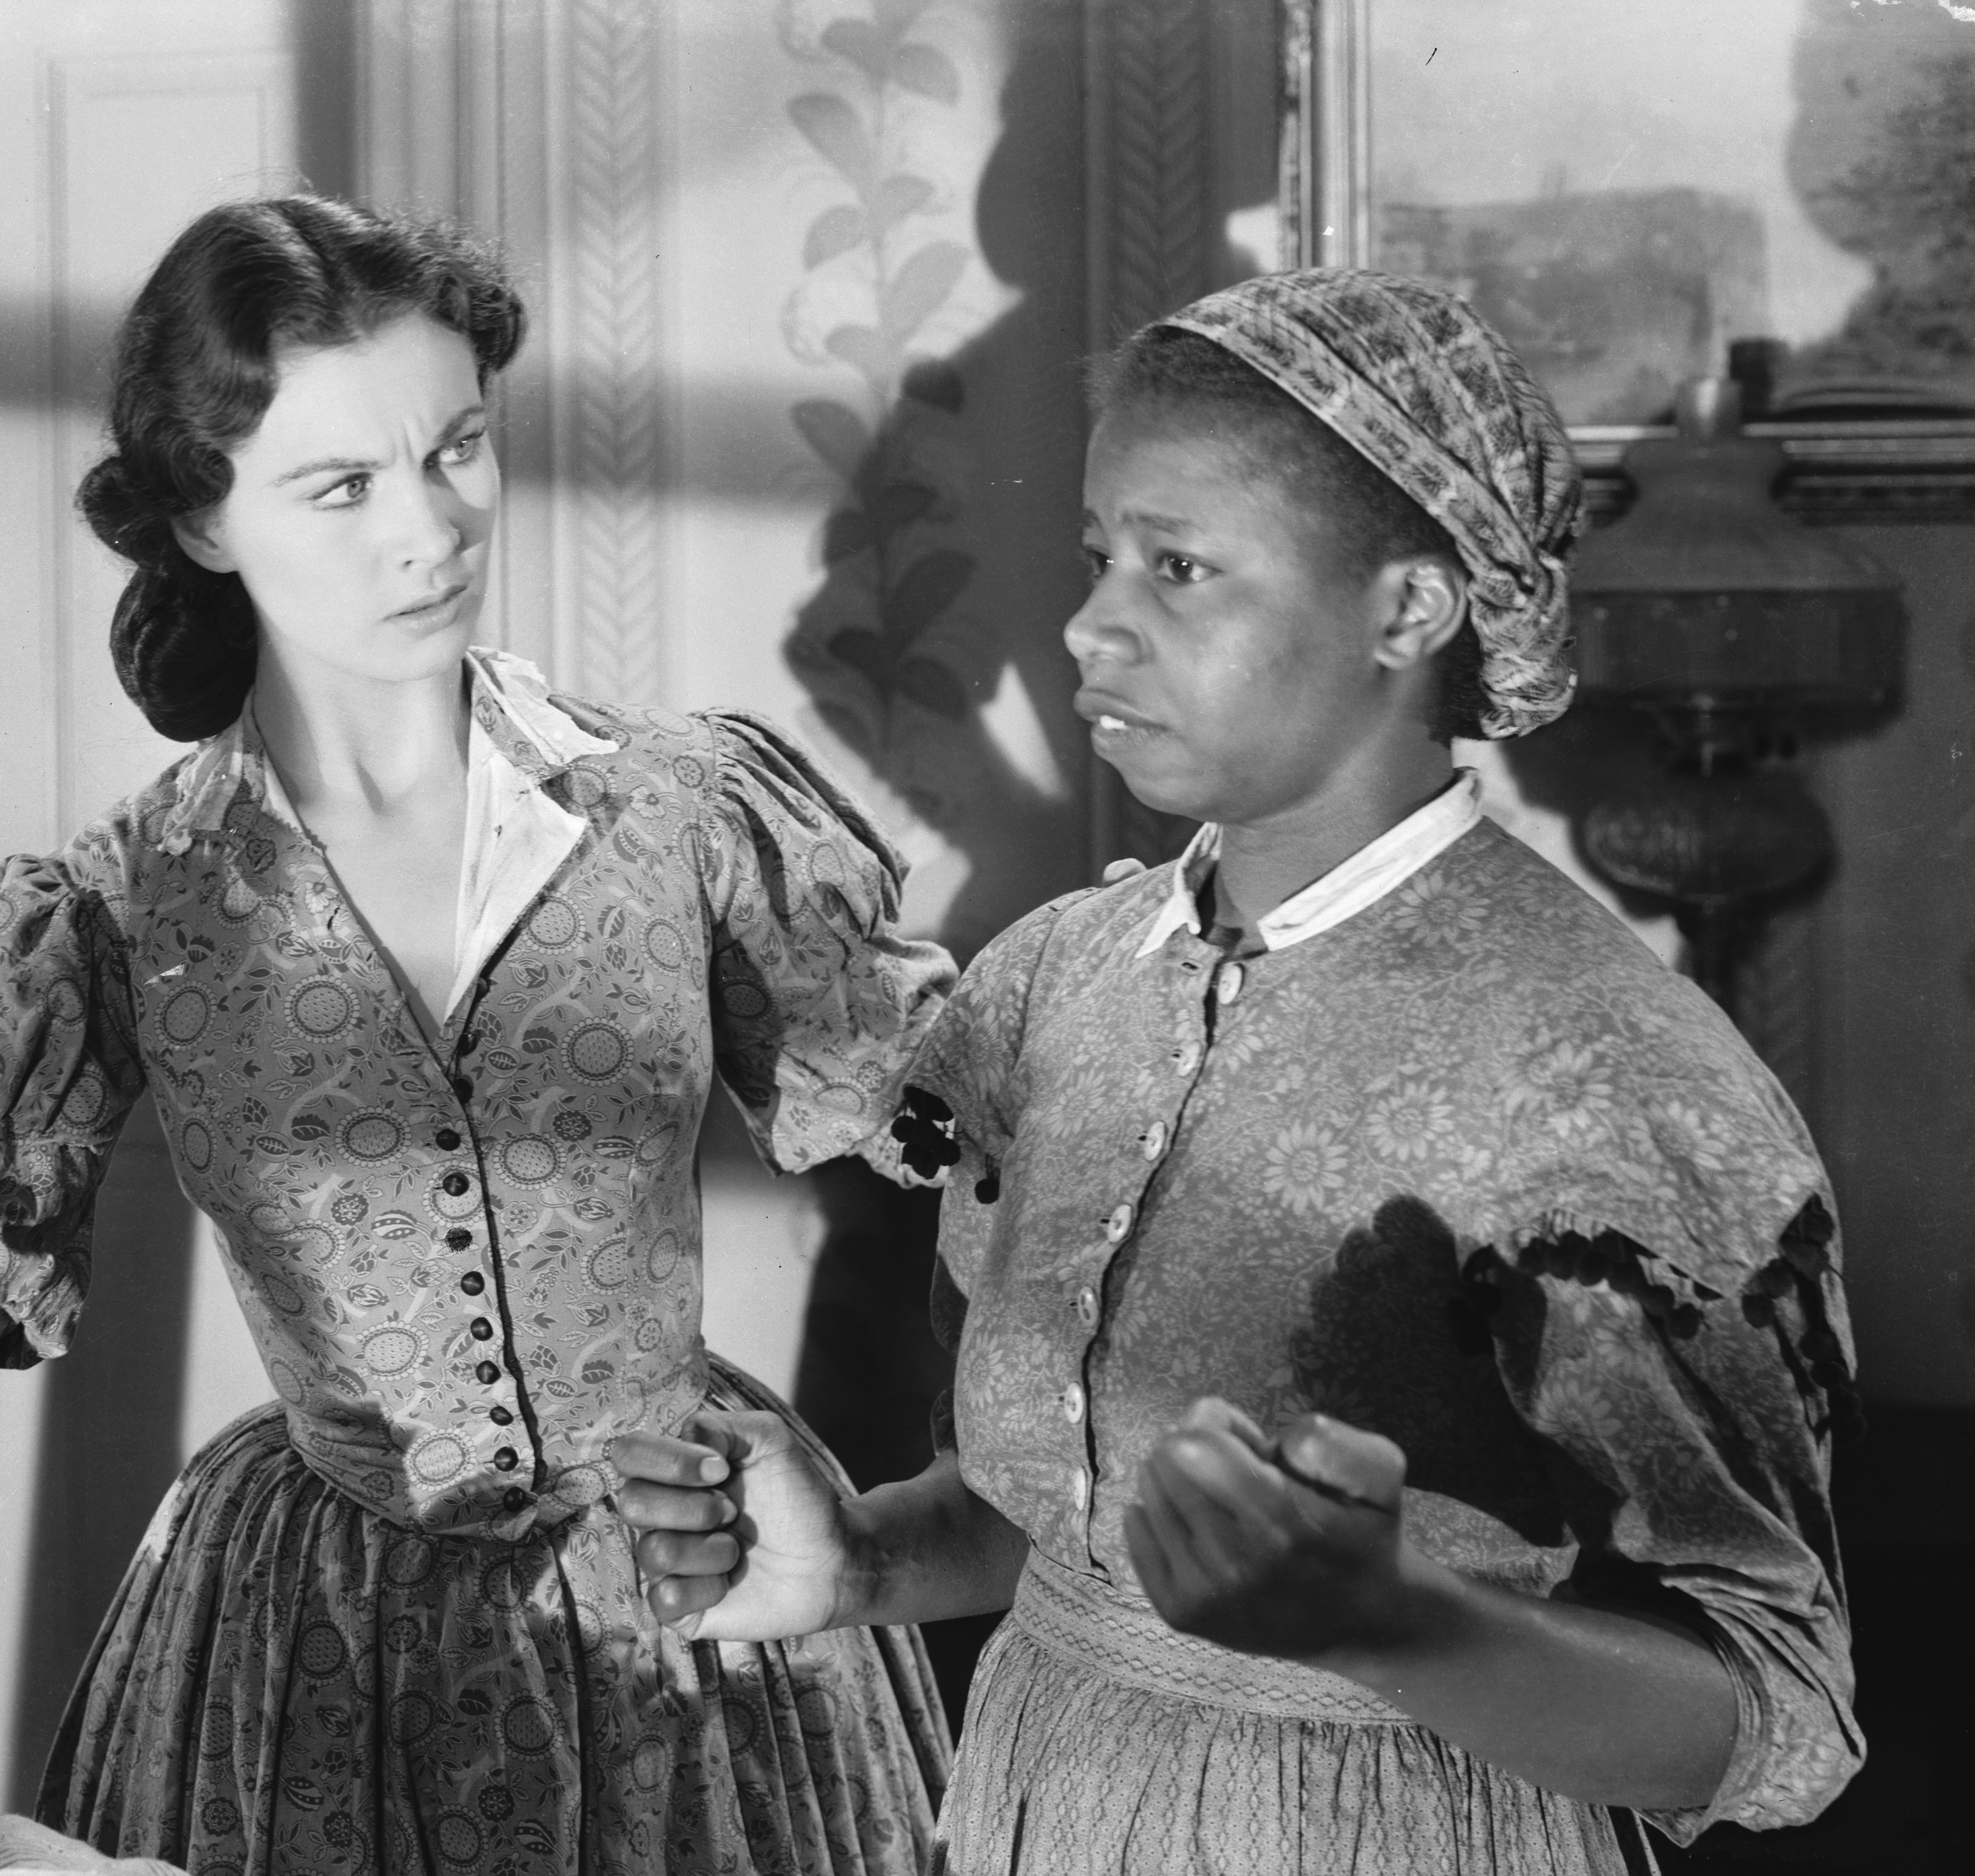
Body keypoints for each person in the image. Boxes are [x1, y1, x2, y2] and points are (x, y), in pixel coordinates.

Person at [0, 195, 960, 1875]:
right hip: (305, 1664)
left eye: (458, 450)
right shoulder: (119, 909)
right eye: (342, 486)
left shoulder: (684, 811)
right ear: (209, 520)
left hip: (708, 1599)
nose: (429, 530)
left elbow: (961, 1128)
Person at [615, 269, 1863, 1873]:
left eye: (1181, 568)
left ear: (1408, 612)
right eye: (1097, 554)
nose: (1089, 622)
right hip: (1040, 1803)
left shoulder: (1614, 1081)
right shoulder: (1049, 984)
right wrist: (860, 1563)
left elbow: (1773, 1713)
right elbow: (1053, 1513)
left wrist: (1391, 1625)